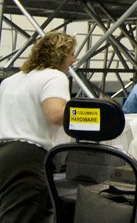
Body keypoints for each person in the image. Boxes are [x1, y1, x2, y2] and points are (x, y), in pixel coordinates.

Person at [0, 31, 76, 223]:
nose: (73, 60)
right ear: (60, 54)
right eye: (71, 54)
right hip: (26, 158)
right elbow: (56, 115)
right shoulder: (54, 76)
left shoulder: (12, 80)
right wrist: (90, 110)